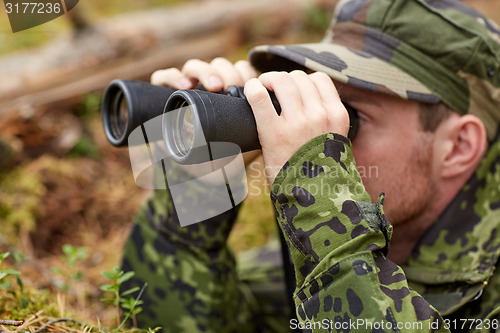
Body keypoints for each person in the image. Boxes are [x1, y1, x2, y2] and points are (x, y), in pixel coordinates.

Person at [119, 0, 500, 331]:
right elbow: (159, 316)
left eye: (348, 117)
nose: (318, 134)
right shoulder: (320, 255)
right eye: (317, 101)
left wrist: (323, 209)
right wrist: (199, 184)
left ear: (458, 147)